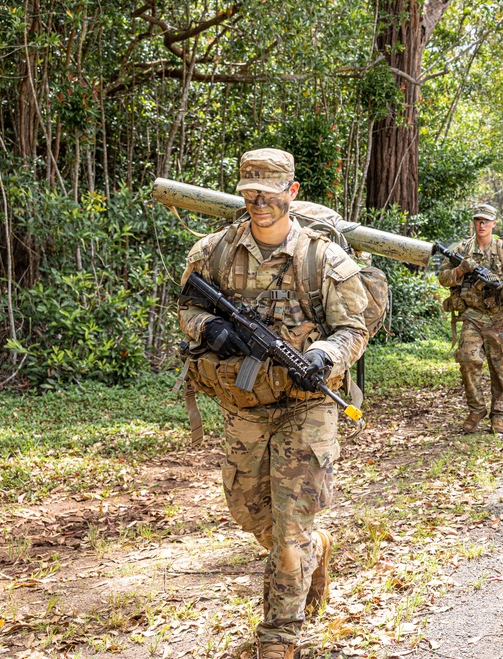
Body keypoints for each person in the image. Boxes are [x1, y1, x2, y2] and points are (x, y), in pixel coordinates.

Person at [178, 149, 370, 659]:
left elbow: (354, 329)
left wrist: (323, 355)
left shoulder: (324, 260)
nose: (260, 202)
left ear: (292, 191)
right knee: (249, 515)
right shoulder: (214, 252)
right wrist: (211, 327)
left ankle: (279, 638)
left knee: (290, 531)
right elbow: (188, 308)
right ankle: (316, 547)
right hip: (244, 405)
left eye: (270, 191)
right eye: (250, 191)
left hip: (307, 405)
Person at [438, 205, 503, 434]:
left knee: (499, 366)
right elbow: (443, 278)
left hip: (498, 317)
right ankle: (476, 409)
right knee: (468, 360)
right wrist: (460, 270)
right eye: (478, 220)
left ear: (494, 224)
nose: (481, 225)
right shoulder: (461, 249)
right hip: (472, 316)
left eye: (486, 221)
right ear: (473, 222)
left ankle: (498, 413)